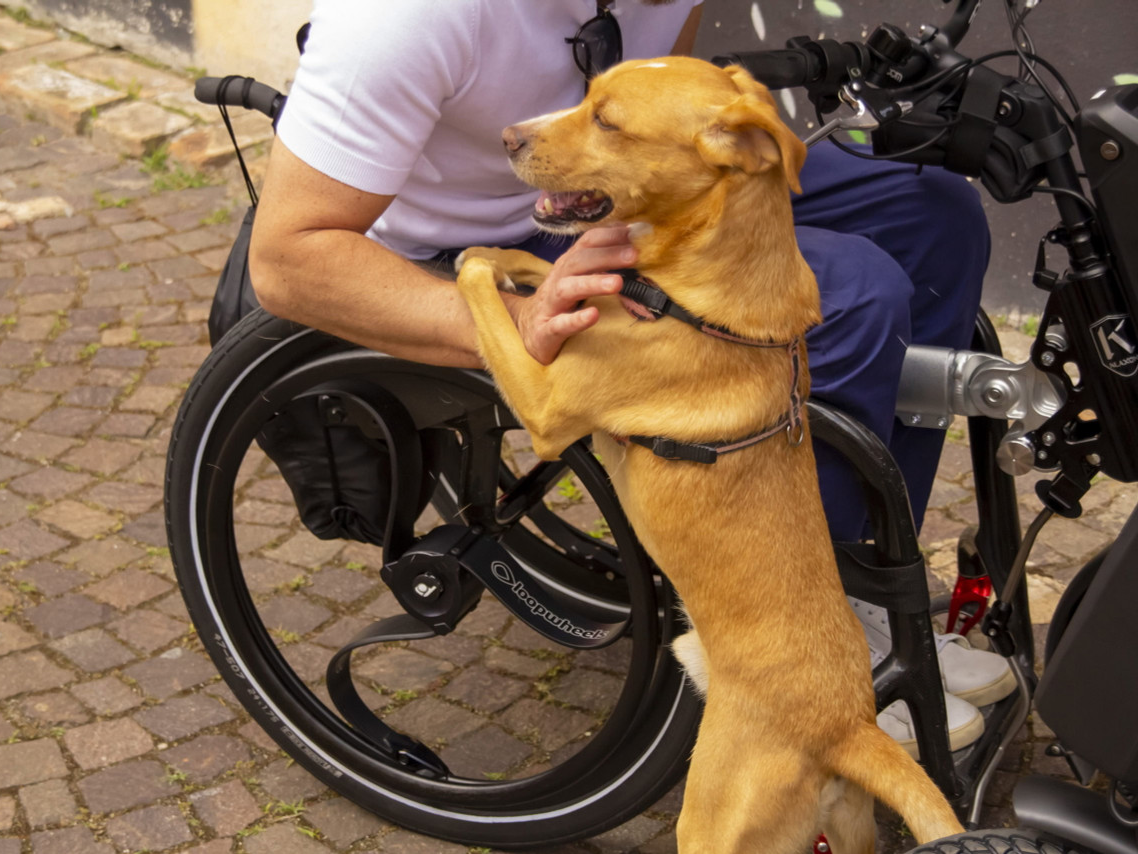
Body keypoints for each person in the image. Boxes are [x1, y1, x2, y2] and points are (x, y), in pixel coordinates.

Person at [248, 0, 1009, 751]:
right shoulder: (409, 16)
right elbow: (287, 260)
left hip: (599, 199)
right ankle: (800, 634)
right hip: (457, 251)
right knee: (853, 291)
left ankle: (867, 575)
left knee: (932, 212)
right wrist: (514, 317)